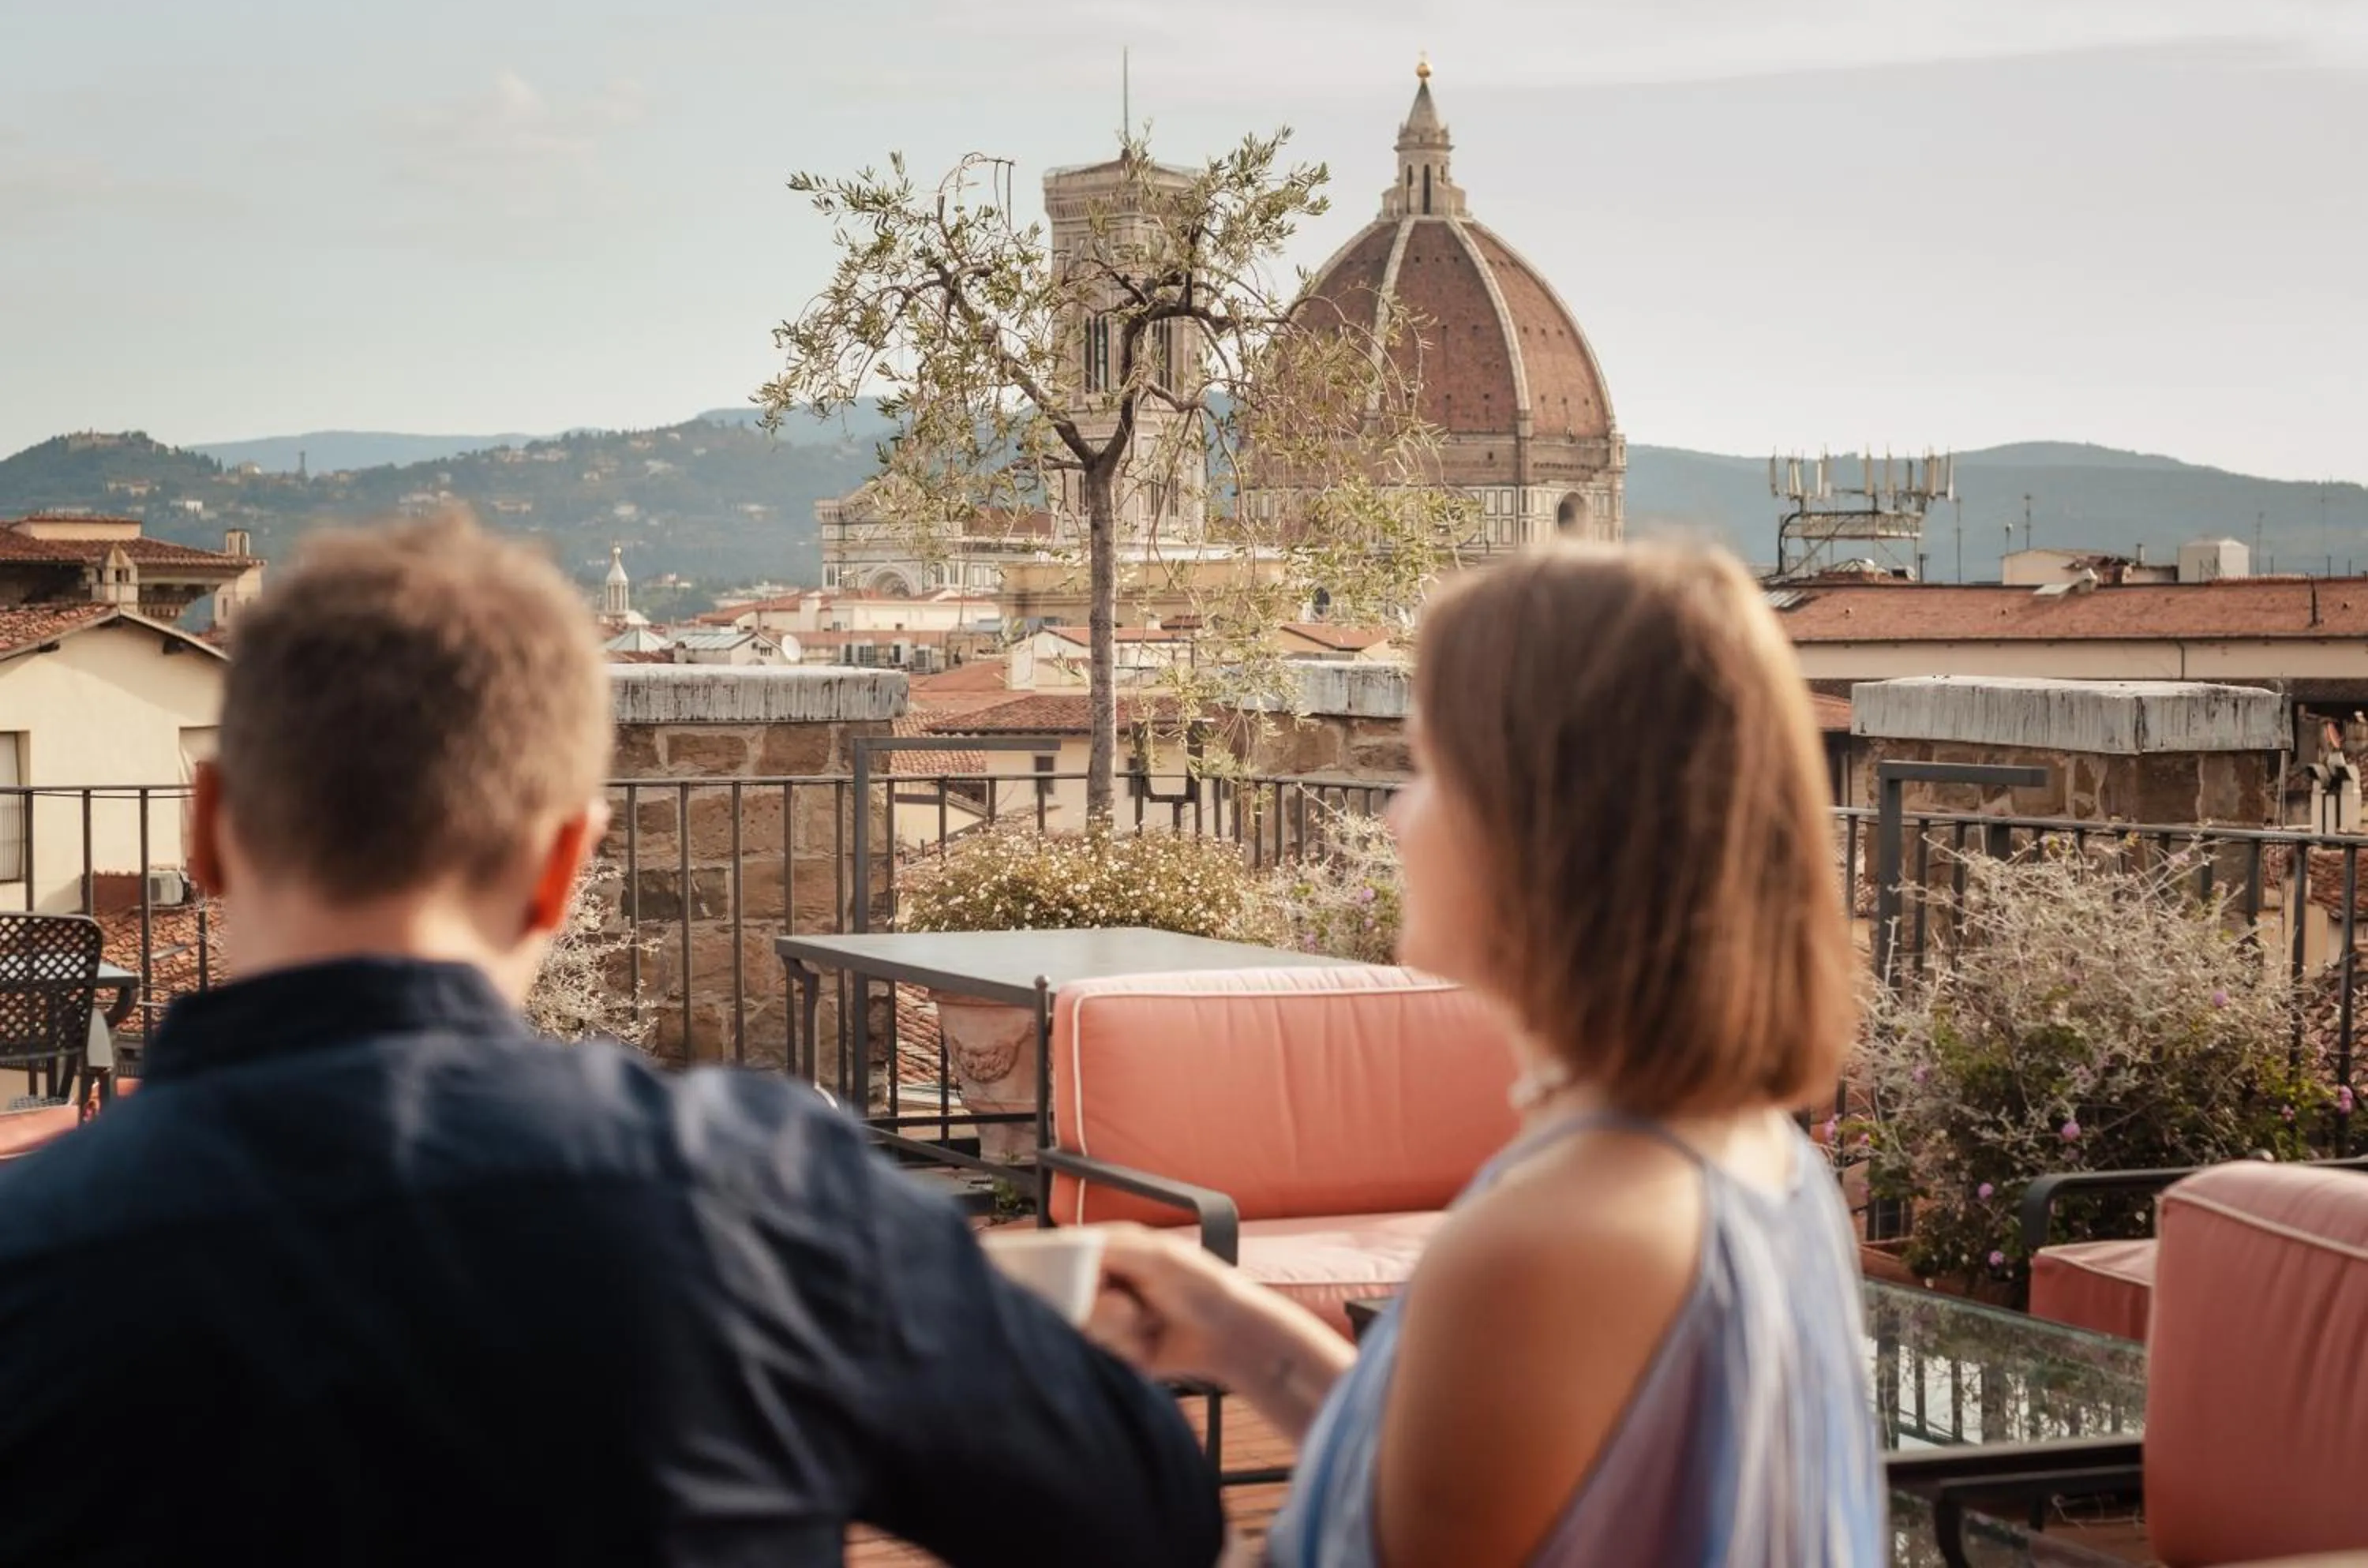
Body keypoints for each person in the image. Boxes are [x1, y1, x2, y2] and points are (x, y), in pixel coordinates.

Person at [0, 515, 1224, 1567]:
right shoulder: (755, 1198)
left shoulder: (35, 1258)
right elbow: (1142, 1517)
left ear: (211, 831)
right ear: (562, 869)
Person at [1088, 543, 1883, 1566]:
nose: (1391, 815)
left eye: (1427, 768)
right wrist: (1236, 1333)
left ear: (1545, 825)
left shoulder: (1553, 1238)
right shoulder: (1767, 1167)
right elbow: (1493, 1497)